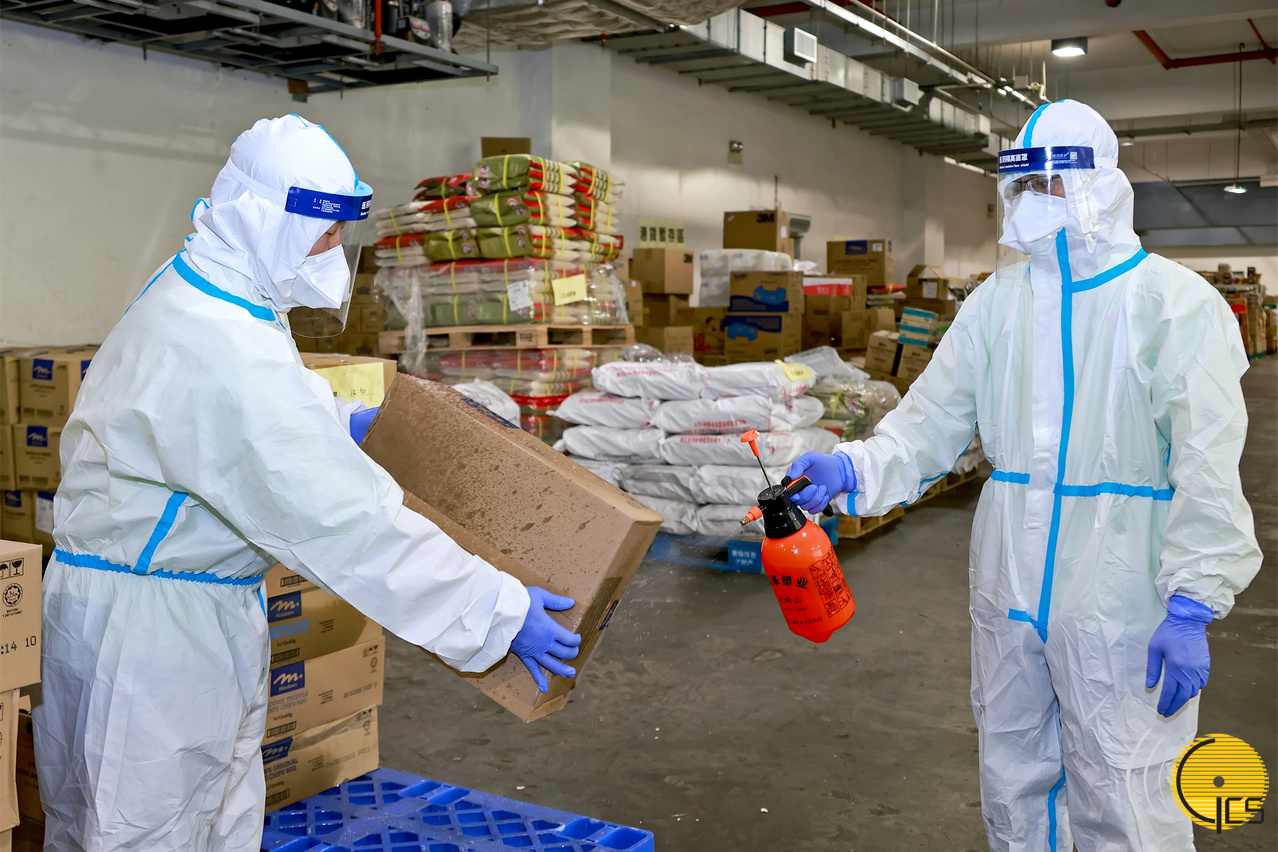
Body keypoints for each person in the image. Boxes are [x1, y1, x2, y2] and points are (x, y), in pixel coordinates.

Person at [33, 115, 581, 851]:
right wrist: (493, 611)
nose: (334, 253)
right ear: (266, 221)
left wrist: (337, 422)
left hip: (176, 609)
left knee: (212, 819)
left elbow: (258, 406)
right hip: (149, 644)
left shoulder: (213, 288)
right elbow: (349, 524)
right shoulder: (215, 340)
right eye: (323, 235)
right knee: (145, 832)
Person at [788, 100, 1261, 851]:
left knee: (1127, 789)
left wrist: (1193, 602)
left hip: (1121, 587)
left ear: (1101, 184)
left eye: (1054, 181)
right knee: (1013, 777)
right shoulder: (996, 304)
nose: (1037, 198)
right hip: (1008, 581)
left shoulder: (1173, 305)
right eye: (1024, 183)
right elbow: (929, 421)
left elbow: (1207, 462)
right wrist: (852, 464)